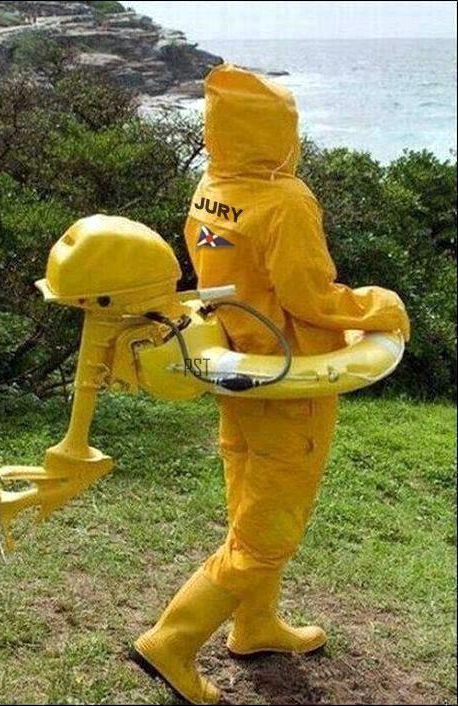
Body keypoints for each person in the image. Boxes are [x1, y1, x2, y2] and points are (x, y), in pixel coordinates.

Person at [133, 64, 410, 705]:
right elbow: (310, 296)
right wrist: (381, 306)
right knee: (267, 531)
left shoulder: (212, 186)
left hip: (242, 369)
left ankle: (255, 624)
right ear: (279, 134)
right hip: (291, 381)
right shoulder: (285, 201)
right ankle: (171, 640)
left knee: (248, 499)